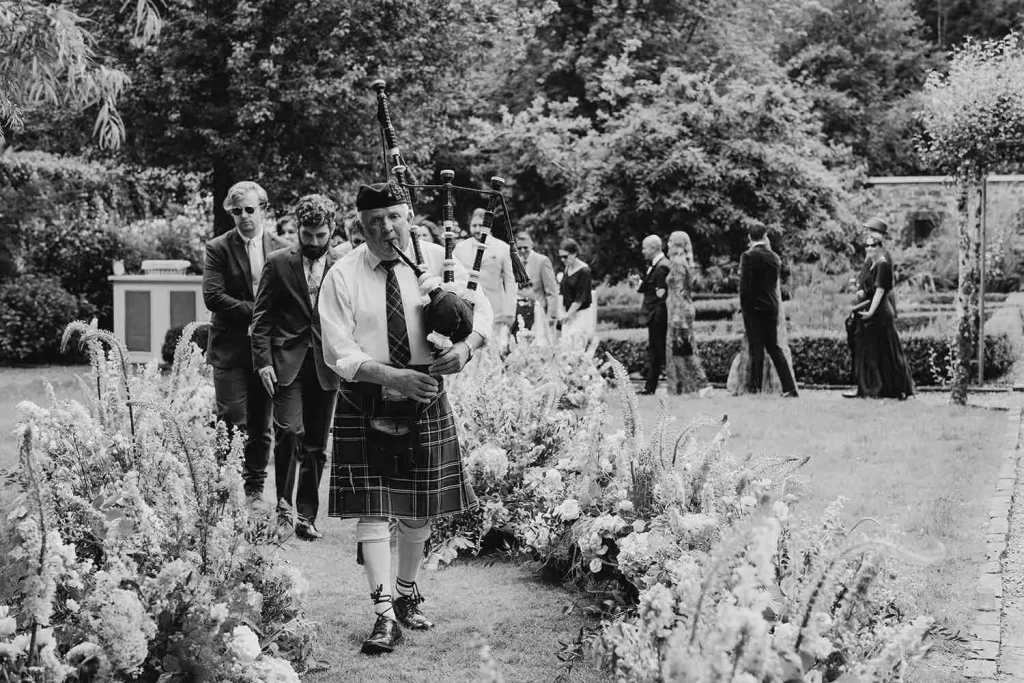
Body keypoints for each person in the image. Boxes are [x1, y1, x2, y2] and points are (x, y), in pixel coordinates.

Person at [318, 181, 492, 655]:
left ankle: (407, 591)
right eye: (373, 221)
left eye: (393, 216)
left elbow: (485, 313)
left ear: (409, 215)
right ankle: (383, 616)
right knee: (372, 511)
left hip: (427, 393)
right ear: (359, 225)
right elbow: (339, 350)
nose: (385, 228)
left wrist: (465, 349)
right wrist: (393, 379)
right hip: (368, 394)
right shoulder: (343, 274)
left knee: (418, 511)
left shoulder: (438, 259)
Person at [251, 194, 341, 541]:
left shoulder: (342, 264)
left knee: (317, 444)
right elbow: (261, 319)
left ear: (331, 229)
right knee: (288, 433)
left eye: (321, 235)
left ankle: (306, 516)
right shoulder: (277, 262)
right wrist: (263, 363)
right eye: (308, 235)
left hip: (326, 365)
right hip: (286, 363)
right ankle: (284, 511)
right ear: (297, 229)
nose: (315, 242)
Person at [202, 181, 290, 502]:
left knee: (261, 424)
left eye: (249, 209)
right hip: (229, 349)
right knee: (231, 418)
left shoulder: (282, 248)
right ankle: (227, 488)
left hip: (265, 351)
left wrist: (268, 324)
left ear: (263, 209)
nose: (243, 217)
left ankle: (253, 491)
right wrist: (257, 313)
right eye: (236, 211)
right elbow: (213, 296)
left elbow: (289, 298)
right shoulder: (218, 248)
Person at [845, 218, 915, 399]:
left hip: (878, 309)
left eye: (872, 233)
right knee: (869, 350)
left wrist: (878, 308)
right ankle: (868, 387)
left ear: (880, 237)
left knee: (886, 350)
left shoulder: (884, 259)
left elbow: (883, 288)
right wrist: (859, 289)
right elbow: (865, 279)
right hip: (869, 305)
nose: (869, 240)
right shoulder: (871, 258)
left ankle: (891, 388)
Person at [737, 224, 798, 397]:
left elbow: (745, 287)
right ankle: (790, 387)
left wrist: (744, 307)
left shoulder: (748, 256)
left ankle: (755, 388)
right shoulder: (774, 257)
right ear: (765, 236)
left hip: (754, 308)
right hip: (771, 306)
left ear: (749, 237)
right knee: (773, 347)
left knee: (756, 349)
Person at [453, 207, 516, 350]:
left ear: (488, 226)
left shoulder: (503, 248)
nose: (477, 229)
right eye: (474, 225)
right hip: (468, 306)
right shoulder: (460, 247)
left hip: (495, 307)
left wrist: (509, 311)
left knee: (494, 349)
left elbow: (510, 282)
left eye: (481, 225)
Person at [665, 231, 710, 395]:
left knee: (681, 349)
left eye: (670, 241)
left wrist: (677, 317)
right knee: (685, 348)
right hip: (685, 308)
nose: (667, 244)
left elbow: (678, 290)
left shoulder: (677, 263)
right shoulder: (686, 262)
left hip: (679, 311)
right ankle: (687, 386)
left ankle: (698, 385)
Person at [637, 235, 670, 395]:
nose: (643, 251)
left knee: (658, 352)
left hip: (657, 316)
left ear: (653, 248)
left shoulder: (662, 267)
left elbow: (662, 296)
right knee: (655, 351)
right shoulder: (655, 265)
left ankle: (652, 387)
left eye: (644, 248)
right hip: (653, 316)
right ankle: (650, 387)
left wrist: (656, 316)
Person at [514, 229, 558, 344]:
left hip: (539, 312)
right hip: (520, 314)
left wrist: (551, 316)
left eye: (525, 247)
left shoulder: (542, 261)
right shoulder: (515, 262)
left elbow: (551, 290)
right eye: (519, 248)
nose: (522, 251)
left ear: (532, 245)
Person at [557, 238, 594, 342]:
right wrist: (561, 312)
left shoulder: (584, 271)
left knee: (577, 343)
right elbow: (562, 291)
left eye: (565, 256)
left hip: (580, 314)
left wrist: (567, 315)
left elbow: (581, 297)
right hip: (567, 313)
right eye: (561, 257)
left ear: (574, 253)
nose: (563, 260)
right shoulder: (567, 268)